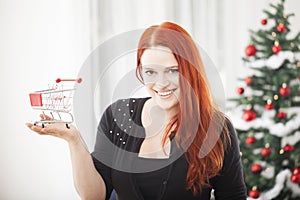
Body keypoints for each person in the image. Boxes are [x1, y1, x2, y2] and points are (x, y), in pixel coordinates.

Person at [26, 21, 247, 200]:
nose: (161, 83)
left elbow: (233, 196)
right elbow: (94, 195)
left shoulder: (216, 127)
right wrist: (73, 139)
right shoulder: (117, 116)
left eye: (172, 71)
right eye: (150, 72)